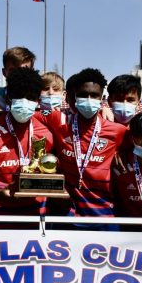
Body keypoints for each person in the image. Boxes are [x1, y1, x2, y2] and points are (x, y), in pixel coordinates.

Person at [36, 68, 126, 219]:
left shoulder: (117, 130)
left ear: (102, 98)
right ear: (75, 97)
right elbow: (22, 116)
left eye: (94, 95)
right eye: (83, 95)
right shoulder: (59, 121)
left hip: (104, 213)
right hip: (69, 214)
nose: (89, 100)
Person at [0, 67, 53, 216]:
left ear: (38, 101)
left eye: (30, 98)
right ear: (8, 97)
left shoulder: (45, 133)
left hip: (37, 217)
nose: (24, 102)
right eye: (19, 96)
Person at [0, 46, 37, 111]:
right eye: (13, 70)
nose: (19, 74)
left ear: (32, 72)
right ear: (4, 72)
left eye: (24, 69)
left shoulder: (42, 100)